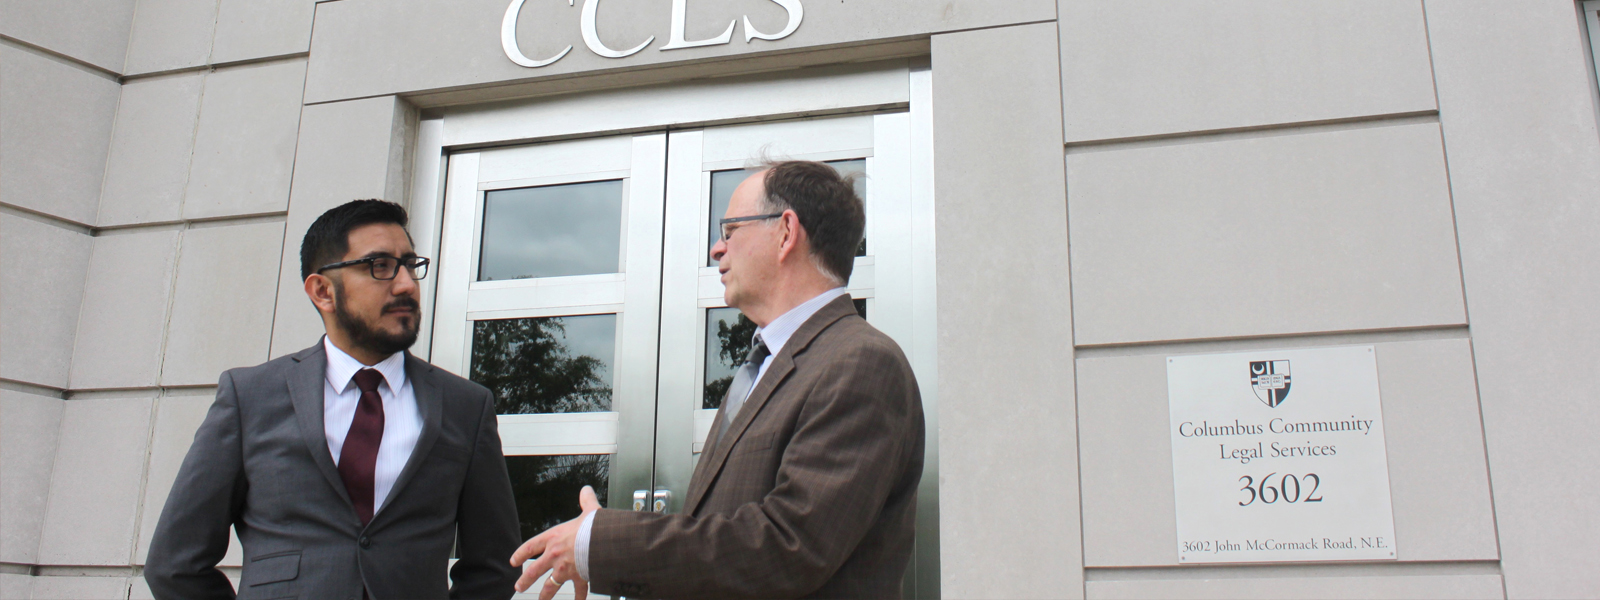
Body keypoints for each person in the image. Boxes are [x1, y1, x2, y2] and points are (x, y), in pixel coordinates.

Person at [511, 161, 927, 599]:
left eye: (730, 230)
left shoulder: (861, 363)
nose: (716, 249)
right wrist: (597, 549)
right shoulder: (764, 366)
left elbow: (786, 548)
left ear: (786, 232)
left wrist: (597, 543)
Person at [145, 200, 522, 599]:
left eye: (410, 264)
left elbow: (495, 565)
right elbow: (175, 565)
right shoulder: (250, 397)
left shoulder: (466, 406)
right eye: (379, 265)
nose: (407, 284)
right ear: (322, 290)